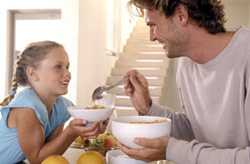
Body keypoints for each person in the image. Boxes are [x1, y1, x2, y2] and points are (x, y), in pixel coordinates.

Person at [120, 0, 250, 164]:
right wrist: (147, 108)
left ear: (181, 16)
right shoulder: (186, 66)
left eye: (153, 25)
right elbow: (196, 130)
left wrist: (172, 150)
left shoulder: (246, 54)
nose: (152, 37)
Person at [0, 41, 104, 163]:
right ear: (32, 73)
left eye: (67, 67)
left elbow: (51, 155)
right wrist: (70, 132)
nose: (68, 73)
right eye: (58, 67)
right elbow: (37, 159)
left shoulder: (61, 107)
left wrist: (91, 125)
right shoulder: (26, 108)